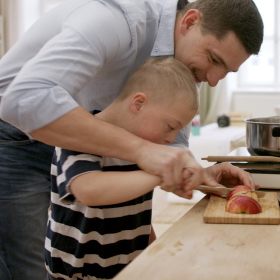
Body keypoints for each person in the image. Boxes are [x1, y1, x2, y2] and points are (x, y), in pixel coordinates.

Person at [0, 0, 263, 280]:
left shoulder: (188, 62)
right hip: (13, 130)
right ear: (189, 22)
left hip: (88, 128)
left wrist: (201, 175)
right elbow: (24, 101)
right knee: (27, 268)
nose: (214, 80)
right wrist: (141, 151)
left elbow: (169, 150)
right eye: (214, 60)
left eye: (226, 72)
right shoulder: (116, 19)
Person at [45, 57, 214, 279]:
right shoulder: (80, 136)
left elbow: (136, 218)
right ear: (138, 103)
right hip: (73, 274)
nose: (172, 139)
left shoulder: (144, 147)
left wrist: (155, 253)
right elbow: (89, 190)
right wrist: (159, 174)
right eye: (171, 126)